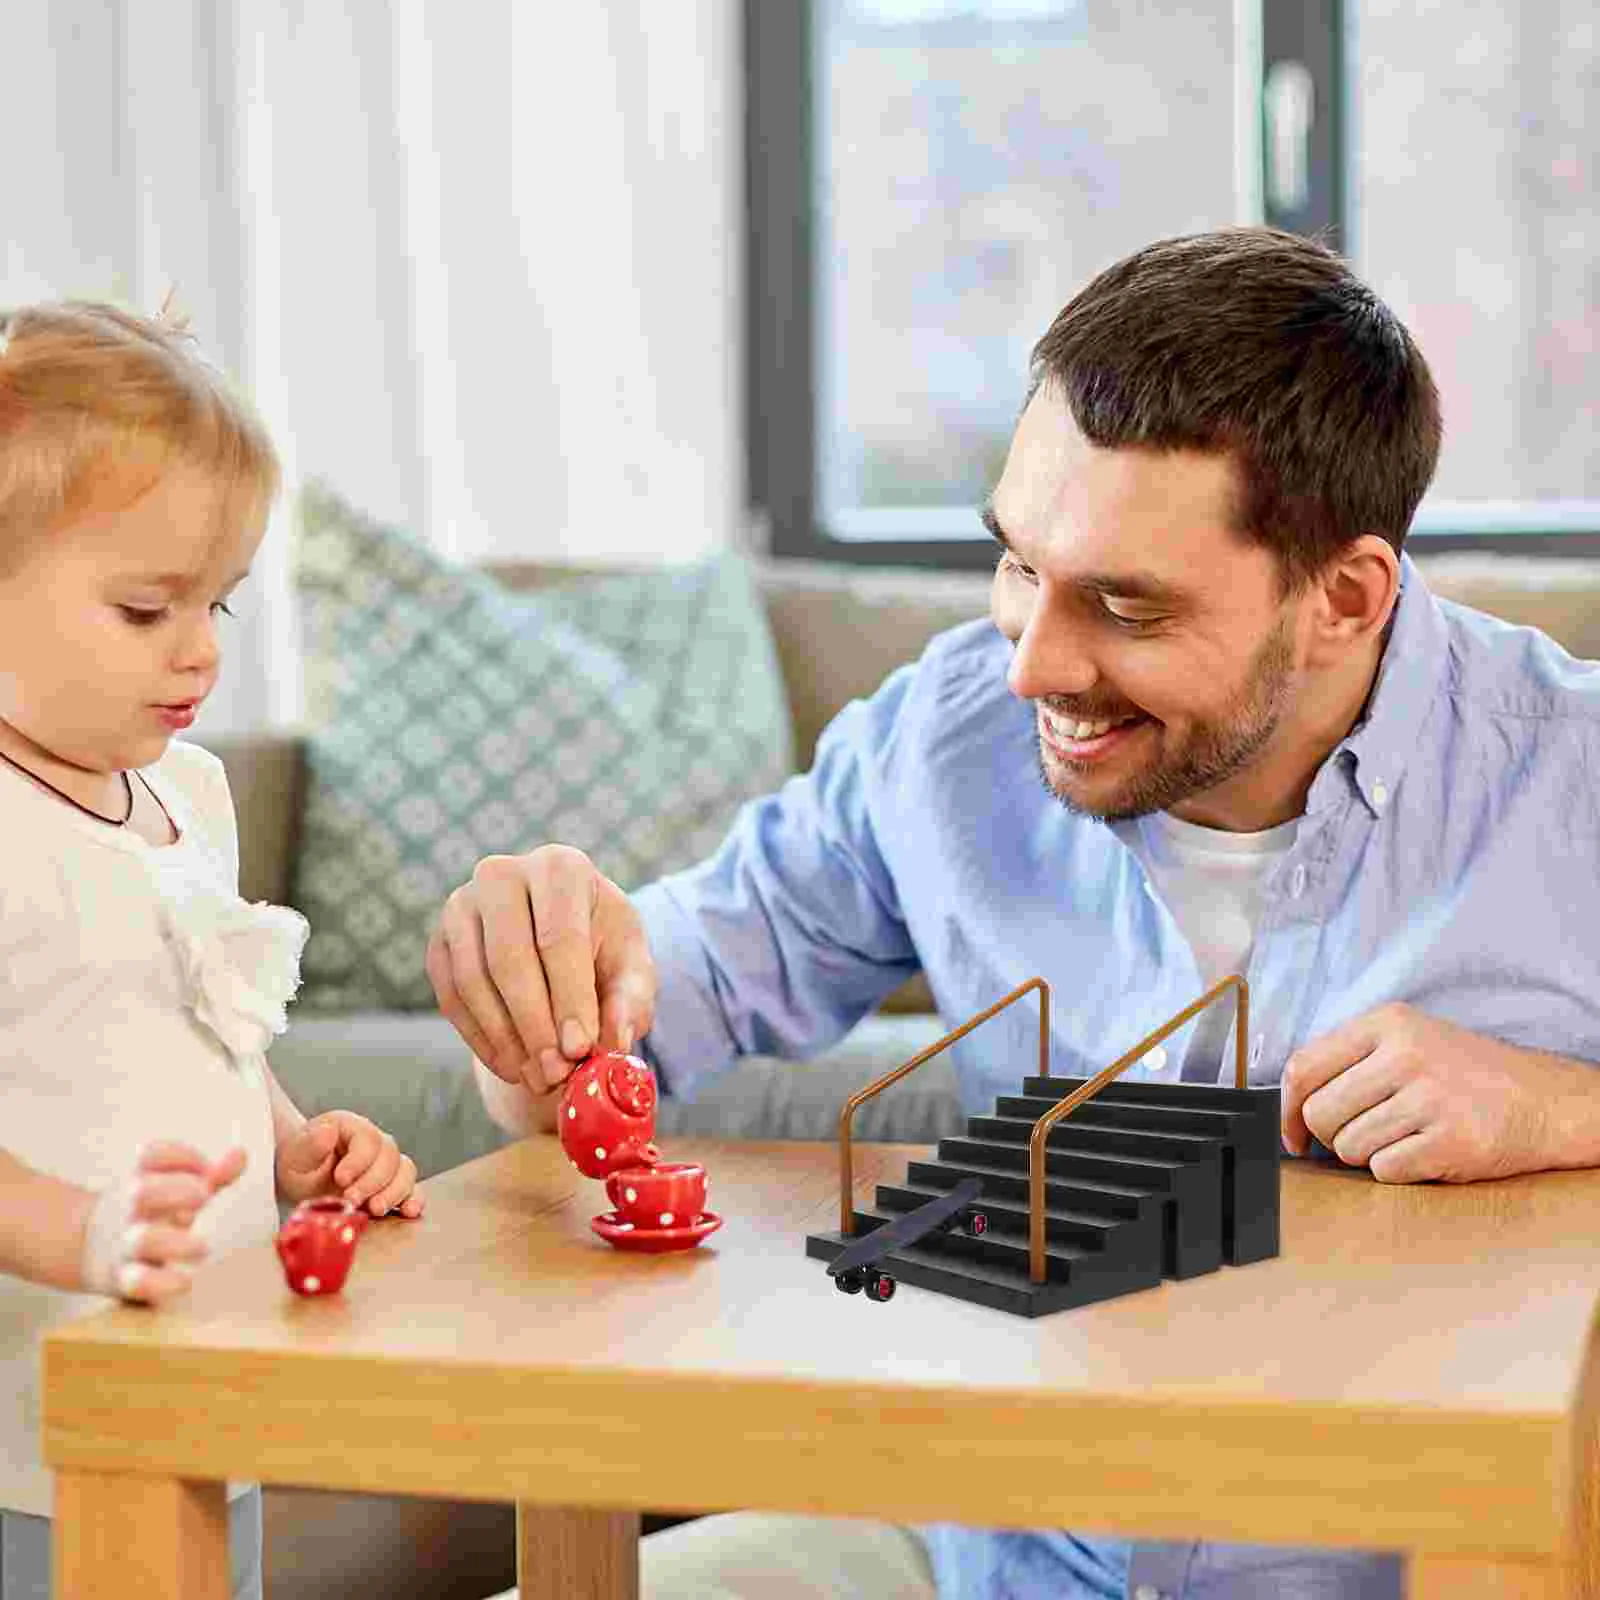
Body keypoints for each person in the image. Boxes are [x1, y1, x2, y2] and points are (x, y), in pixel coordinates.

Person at [430, 228, 1600, 1599]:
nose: (1036, 661)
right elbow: (617, 1042)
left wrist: (1567, 1112)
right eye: (1018, 565)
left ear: (1343, 598)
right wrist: (544, 987)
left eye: (1125, 605)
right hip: (1004, 1558)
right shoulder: (946, 735)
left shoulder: (1566, 773)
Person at [0, 301, 427, 1600]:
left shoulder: (190, 794)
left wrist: (297, 1145)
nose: (199, 652)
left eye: (218, 604)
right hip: (36, 1426)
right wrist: (85, 1235)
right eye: (144, 610)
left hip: (204, 1382)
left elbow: (209, 1026)